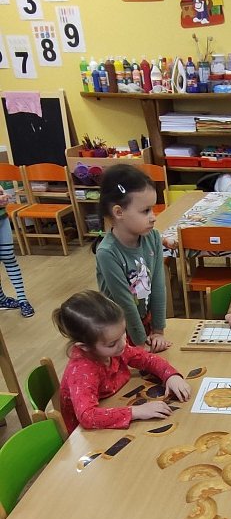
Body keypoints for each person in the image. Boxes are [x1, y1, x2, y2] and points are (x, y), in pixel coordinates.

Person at [53, 290, 190, 435]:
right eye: (112, 344)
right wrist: (136, 412)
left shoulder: (115, 345)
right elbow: (88, 416)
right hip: (88, 436)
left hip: (117, 401)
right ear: (85, 347)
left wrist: (171, 376)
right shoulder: (82, 370)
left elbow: (146, 358)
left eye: (123, 333)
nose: (123, 344)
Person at [95, 164, 169, 352]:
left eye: (152, 209)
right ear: (118, 212)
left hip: (144, 324)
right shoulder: (107, 253)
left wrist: (158, 331)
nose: (153, 217)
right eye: (145, 211)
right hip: (117, 334)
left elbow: (158, 286)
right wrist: (141, 344)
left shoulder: (153, 237)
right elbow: (124, 302)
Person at [0, 186, 34, 317]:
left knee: (8, 256)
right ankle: (1, 299)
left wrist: (3, 197)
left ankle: (22, 299)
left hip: (2, 218)